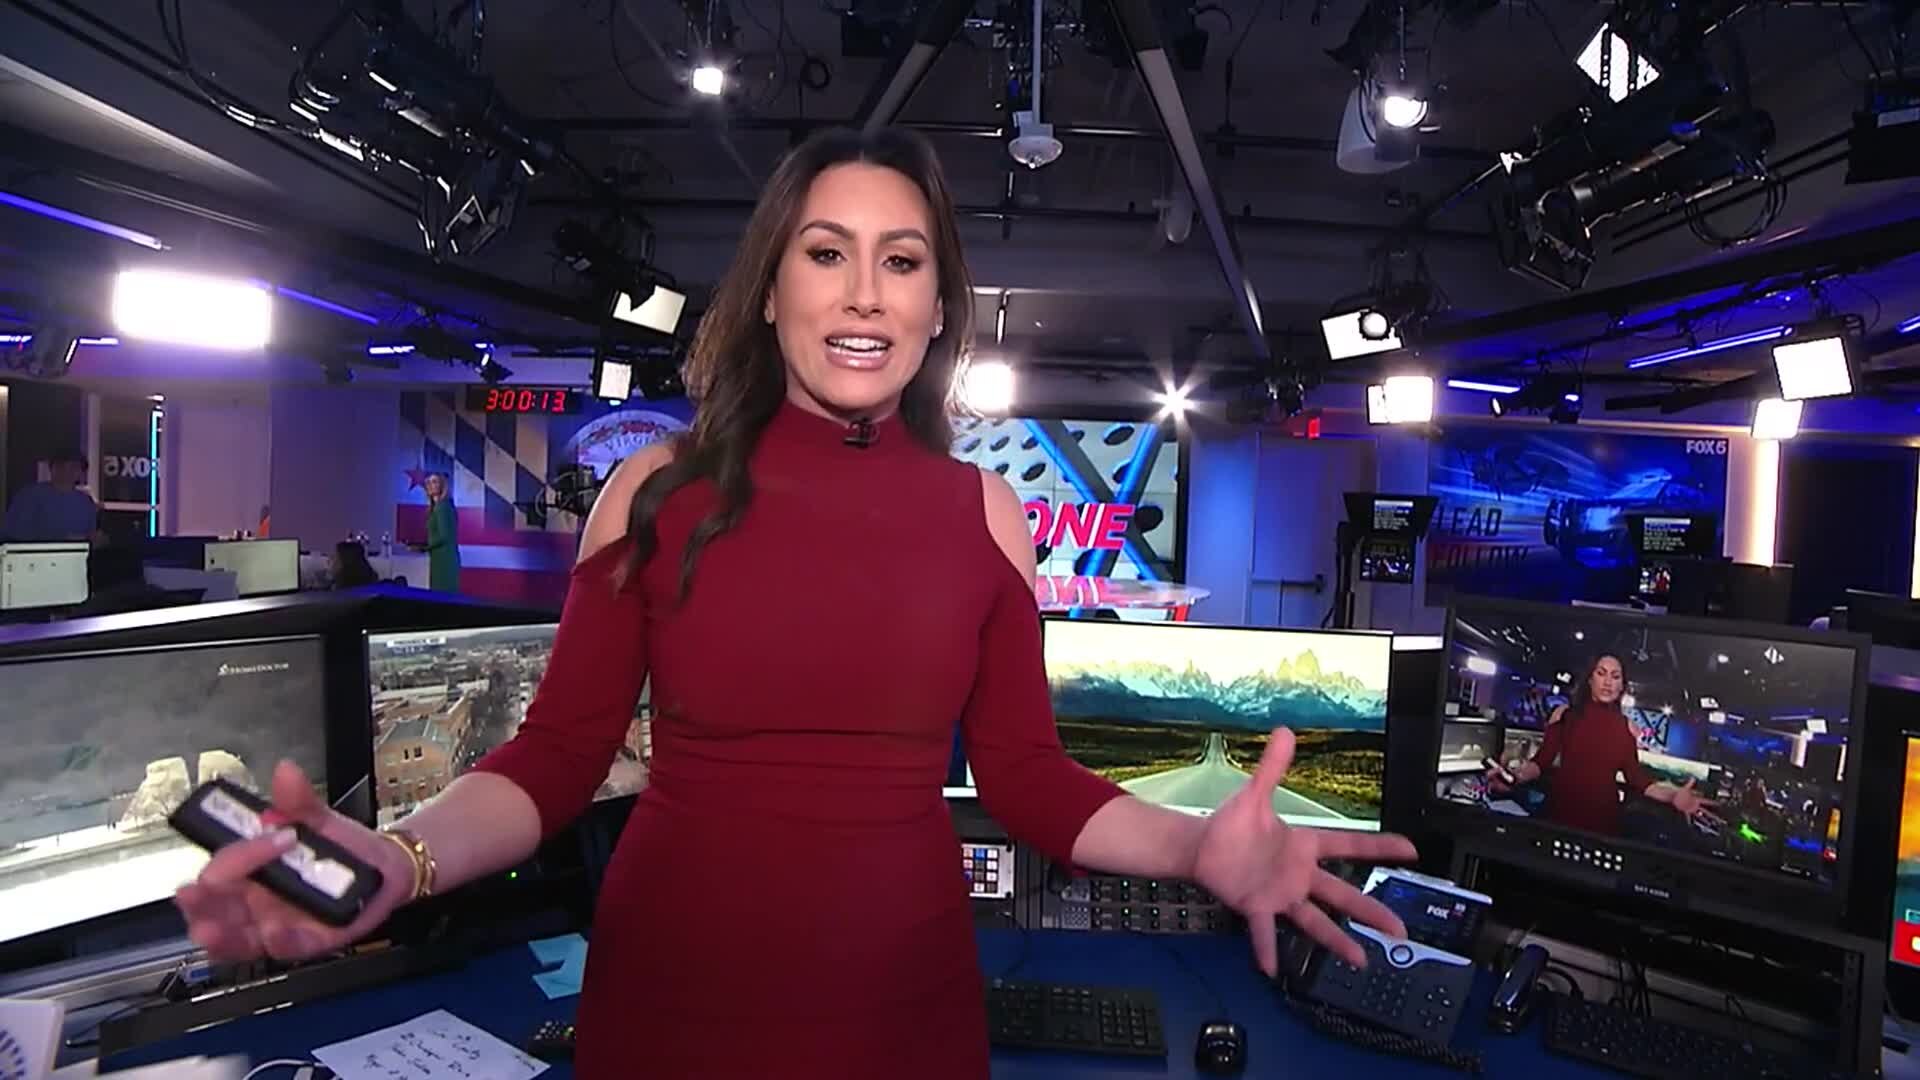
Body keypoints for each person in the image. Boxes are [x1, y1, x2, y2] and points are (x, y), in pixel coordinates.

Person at [173, 127, 1416, 1079]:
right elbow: (554, 760)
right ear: (771, 291)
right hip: (670, 1008)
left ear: (937, 309)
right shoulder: (656, 491)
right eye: (827, 253)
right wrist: (401, 859)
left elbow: (1031, 780)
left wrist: (1197, 848)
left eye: (901, 261)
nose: (865, 292)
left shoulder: (986, 511)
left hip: (904, 1014)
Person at [1487, 653, 1719, 836]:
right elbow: (1541, 762)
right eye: (1601, 673)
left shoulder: (1627, 727)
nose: (1608, 682)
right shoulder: (1564, 714)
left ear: (1621, 686)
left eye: (1615, 676)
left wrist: (1673, 796)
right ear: (1590, 679)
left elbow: (1638, 780)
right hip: (1558, 815)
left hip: (1603, 824)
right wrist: (1515, 776)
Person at [2, 451, 99, 543]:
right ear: (51, 468)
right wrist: (63, 538)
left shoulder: (86, 502)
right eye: (61, 466)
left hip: (77, 554)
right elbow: (13, 533)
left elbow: (90, 537)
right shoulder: (29, 496)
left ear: (81, 473)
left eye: (73, 467)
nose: (66, 471)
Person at [421, 472, 460, 592]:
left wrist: (422, 547)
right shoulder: (440, 506)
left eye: (434, 482)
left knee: (442, 596)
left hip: (444, 560)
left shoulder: (442, 507)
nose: (430, 485)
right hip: (440, 558)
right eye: (428, 482)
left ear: (442, 485)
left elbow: (444, 536)